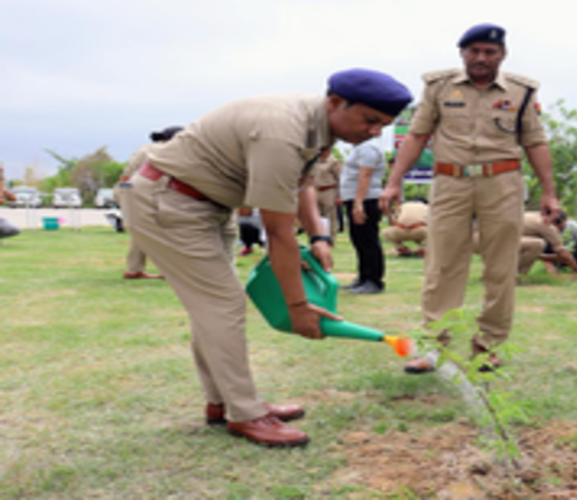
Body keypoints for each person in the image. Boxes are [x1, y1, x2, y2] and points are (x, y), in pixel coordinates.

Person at [125, 69, 411, 447]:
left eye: (384, 125)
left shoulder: (318, 126)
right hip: (171, 201)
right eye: (370, 120)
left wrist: (320, 234)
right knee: (223, 305)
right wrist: (298, 306)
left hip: (207, 204)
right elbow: (277, 232)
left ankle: (224, 402)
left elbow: (302, 183)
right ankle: (245, 413)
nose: (376, 131)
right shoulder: (283, 131)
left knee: (211, 308)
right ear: (335, 103)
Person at [379, 23, 562, 373]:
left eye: (490, 52)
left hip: (502, 182)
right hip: (450, 182)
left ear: (502, 55)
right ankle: (434, 344)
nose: (481, 58)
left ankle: (488, 344)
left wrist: (549, 192)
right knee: (442, 264)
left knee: (500, 265)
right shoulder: (438, 86)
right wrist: (393, 182)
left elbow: (535, 142)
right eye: (474, 51)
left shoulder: (522, 91)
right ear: (461, 53)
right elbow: (417, 135)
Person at [117, 126, 184, 279]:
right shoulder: (168, 150)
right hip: (147, 192)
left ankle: (134, 270)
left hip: (127, 189)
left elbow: (127, 175)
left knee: (142, 231)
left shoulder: (146, 148)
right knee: (165, 229)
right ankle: (170, 270)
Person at [340, 137, 387, 295]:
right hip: (356, 198)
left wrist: (358, 203)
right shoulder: (359, 147)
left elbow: (365, 175)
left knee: (368, 240)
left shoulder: (368, 148)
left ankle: (373, 280)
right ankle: (363, 276)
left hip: (366, 199)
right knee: (358, 239)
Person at [517, 211, 577, 276]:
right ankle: (516, 275)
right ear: (558, 223)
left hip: (509, 240)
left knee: (534, 245)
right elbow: (562, 252)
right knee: (538, 244)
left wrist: (544, 257)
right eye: (563, 226)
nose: (562, 229)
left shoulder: (536, 215)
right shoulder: (548, 226)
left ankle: (515, 274)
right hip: (508, 242)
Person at [313, 150, 342, 240]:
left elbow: (340, 179)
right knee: (316, 216)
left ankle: (331, 238)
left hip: (328, 190)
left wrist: (339, 195)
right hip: (315, 190)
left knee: (329, 216)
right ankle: (318, 237)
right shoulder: (313, 161)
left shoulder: (334, 162)